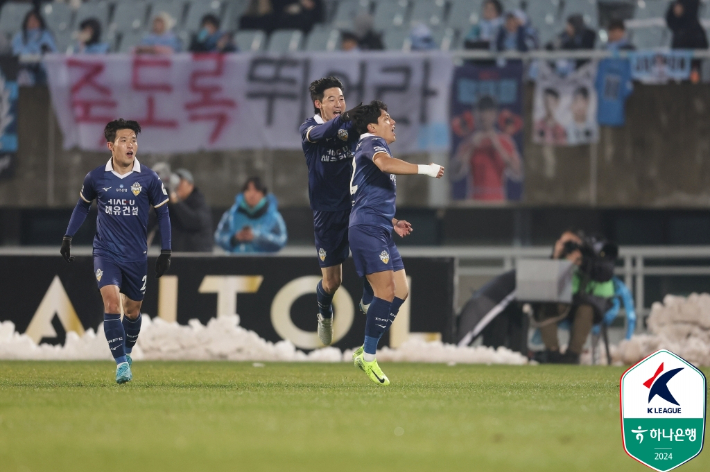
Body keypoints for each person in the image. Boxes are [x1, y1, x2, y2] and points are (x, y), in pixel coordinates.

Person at [60, 119, 172, 384]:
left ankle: (128, 351)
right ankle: (121, 364)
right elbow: (82, 207)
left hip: (136, 255)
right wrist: (68, 236)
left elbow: (164, 213)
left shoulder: (149, 178)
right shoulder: (96, 177)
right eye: (124, 140)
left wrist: (166, 251)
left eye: (133, 139)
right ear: (111, 146)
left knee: (132, 311)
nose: (130, 144)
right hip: (105, 252)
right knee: (112, 303)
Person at [348, 100, 444, 385]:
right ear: (372, 126)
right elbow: (386, 164)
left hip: (380, 227)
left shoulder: (372, 145)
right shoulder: (372, 143)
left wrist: (392, 221)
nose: (393, 122)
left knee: (401, 290)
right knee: (387, 291)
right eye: (386, 117)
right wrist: (426, 169)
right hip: (367, 229)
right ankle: (367, 357)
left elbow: (367, 193)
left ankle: (367, 338)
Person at [298, 77, 361, 346]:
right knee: (332, 282)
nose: (338, 104)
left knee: (369, 256)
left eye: (342, 98)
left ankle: (370, 299)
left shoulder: (350, 126)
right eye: (332, 99)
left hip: (356, 207)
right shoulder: (309, 128)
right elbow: (322, 134)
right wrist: (347, 118)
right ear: (318, 103)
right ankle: (324, 313)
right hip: (326, 213)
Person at [533, 230, 616, 364]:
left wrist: (582, 262)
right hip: (565, 302)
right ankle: (553, 353)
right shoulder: (559, 257)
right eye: (563, 242)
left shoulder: (592, 254)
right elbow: (545, 285)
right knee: (547, 305)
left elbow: (605, 273)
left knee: (586, 309)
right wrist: (556, 257)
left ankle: (572, 355)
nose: (568, 246)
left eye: (571, 242)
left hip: (587, 303)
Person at [452, 95, 522, 201]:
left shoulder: (505, 142)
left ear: (494, 115)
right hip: (475, 201)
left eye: (488, 112)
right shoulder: (468, 142)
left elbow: (518, 172)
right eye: (481, 112)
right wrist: (471, 147)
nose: (484, 116)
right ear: (475, 114)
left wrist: (498, 147)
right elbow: (454, 173)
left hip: (498, 201)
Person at [214, 177, 287, 253]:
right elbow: (219, 237)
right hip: (235, 262)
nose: (252, 194)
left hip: (264, 263)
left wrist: (257, 237)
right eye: (248, 190)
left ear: (263, 194)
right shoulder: (231, 215)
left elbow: (281, 241)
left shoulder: (274, 217)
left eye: (256, 190)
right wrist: (234, 239)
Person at [167, 168, 213, 252]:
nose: (178, 186)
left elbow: (194, 222)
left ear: (191, 186)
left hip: (198, 258)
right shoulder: (170, 204)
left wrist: (177, 203)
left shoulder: (199, 202)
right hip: (176, 257)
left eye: (181, 182)